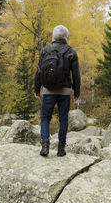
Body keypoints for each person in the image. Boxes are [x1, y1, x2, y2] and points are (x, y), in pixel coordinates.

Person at [34, 25, 80, 157]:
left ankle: (45, 146)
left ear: (53, 36)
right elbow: (76, 74)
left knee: (45, 118)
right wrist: (77, 92)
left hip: (48, 90)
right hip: (65, 91)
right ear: (66, 37)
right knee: (63, 119)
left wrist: (37, 89)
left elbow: (39, 72)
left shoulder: (45, 50)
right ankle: (61, 149)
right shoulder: (71, 52)